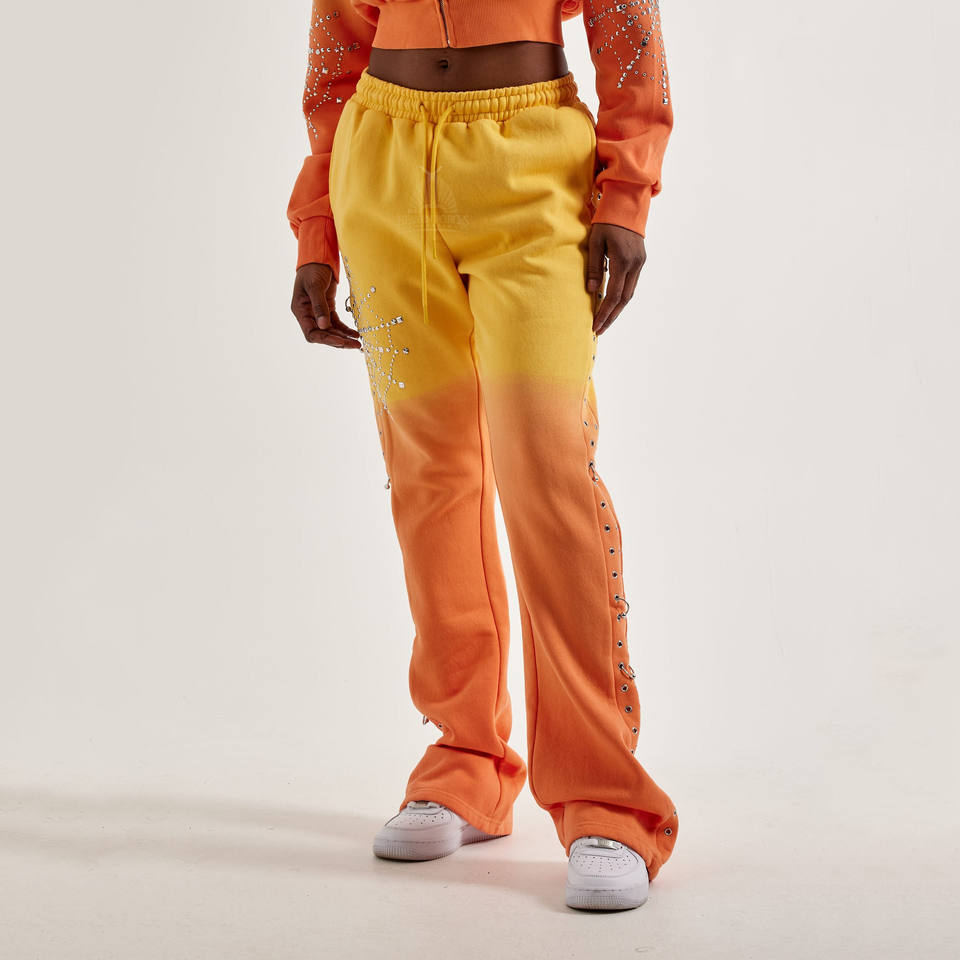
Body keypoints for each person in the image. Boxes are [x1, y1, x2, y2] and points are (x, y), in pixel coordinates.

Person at [286, 0, 677, 912]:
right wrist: (316, 229)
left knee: (548, 472)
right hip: (380, 168)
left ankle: (607, 799)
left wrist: (626, 194)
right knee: (428, 480)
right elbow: (335, 56)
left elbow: (628, 30)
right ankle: (465, 760)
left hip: (532, 167)